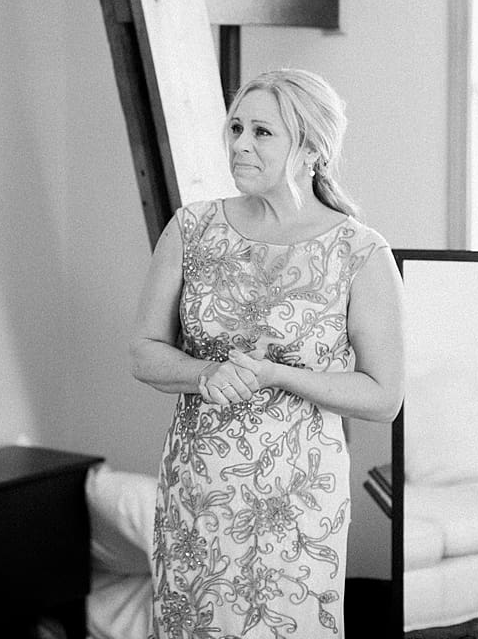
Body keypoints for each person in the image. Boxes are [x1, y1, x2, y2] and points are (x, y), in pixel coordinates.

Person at [131, 69, 404, 638]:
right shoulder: (191, 228)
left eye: (262, 132)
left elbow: (383, 397)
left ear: (310, 149)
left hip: (296, 504)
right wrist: (206, 372)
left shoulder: (359, 252)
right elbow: (145, 352)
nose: (240, 145)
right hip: (196, 492)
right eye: (235, 127)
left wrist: (276, 374)